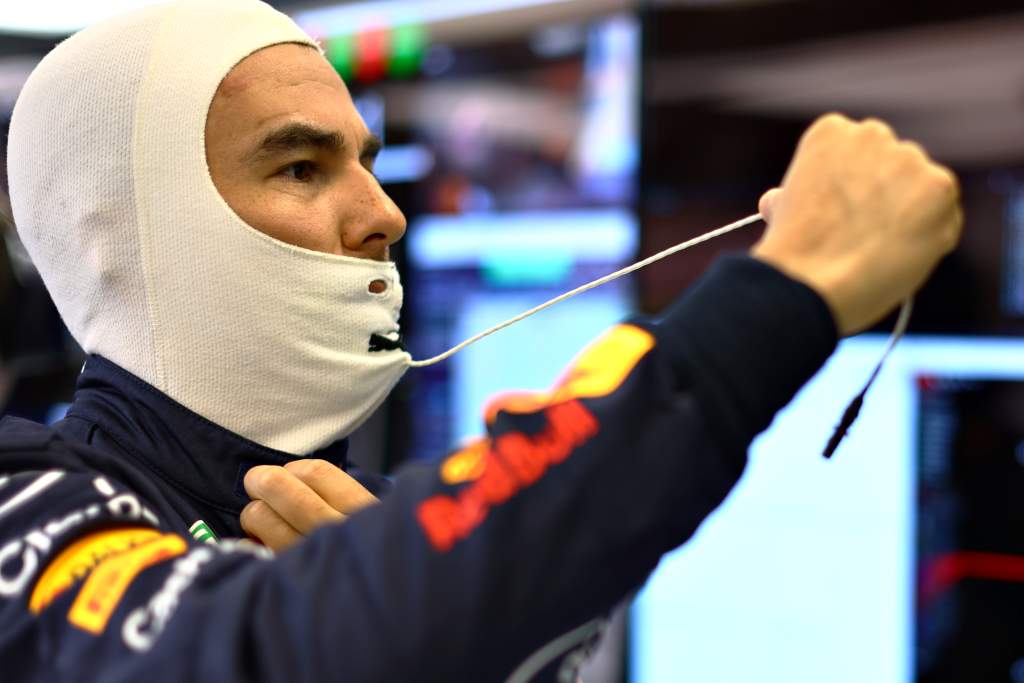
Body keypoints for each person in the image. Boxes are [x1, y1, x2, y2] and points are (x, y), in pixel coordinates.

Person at [0, 0, 961, 681]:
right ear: (111, 230)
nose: (384, 215)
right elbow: (250, 652)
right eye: (300, 166)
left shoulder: (363, 533)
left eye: (369, 164)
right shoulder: (22, 496)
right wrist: (771, 304)